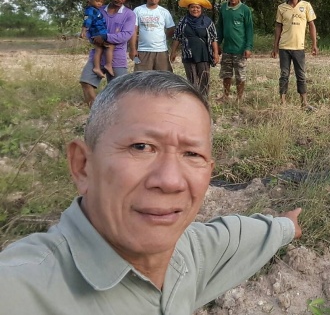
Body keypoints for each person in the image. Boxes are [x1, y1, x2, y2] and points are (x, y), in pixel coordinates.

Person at [0, 71, 302, 313]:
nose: (170, 181)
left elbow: (239, 235)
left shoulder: (190, 254)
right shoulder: (21, 289)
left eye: (192, 154)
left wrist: (286, 226)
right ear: (82, 166)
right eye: (141, 147)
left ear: (210, 170)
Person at [79, 0, 137, 107]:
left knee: (119, 92)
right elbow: (89, 28)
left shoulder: (129, 14)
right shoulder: (98, 10)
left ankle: (116, 119)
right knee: (86, 83)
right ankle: (95, 113)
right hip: (98, 55)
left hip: (117, 56)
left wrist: (105, 37)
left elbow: (126, 34)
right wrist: (94, 38)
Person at [271, 0, 318, 110]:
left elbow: (312, 25)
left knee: (301, 75)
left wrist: (314, 44)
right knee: (284, 75)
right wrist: (275, 47)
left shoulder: (306, 6)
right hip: (284, 47)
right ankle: (282, 102)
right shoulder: (281, 8)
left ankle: (304, 103)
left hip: (299, 47)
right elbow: (278, 28)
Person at [171, 0, 220, 100]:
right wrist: (173, 52)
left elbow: (214, 38)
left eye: (197, 7)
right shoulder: (183, 21)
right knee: (192, 79)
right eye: (192, 7)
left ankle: (204, 99)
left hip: (204, 53)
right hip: (188, 53)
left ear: (201, 9)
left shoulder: (207, 22)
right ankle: (194, 100)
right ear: (188, 8)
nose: (195, 9)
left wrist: (216, 54)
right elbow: (176, 37)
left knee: (204, 78)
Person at [215, 0, 254, 102]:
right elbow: (220, 27)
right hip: (227, 48)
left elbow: (249, 29)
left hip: (240, 49)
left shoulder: (245, 10)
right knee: (226, 75)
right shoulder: (223, 8)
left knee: (240, 75)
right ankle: (225, 96)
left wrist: (248, 47)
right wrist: (218, 44)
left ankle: (239, 98)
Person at [130, 0, 176, 72]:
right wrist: (133, 49)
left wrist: (161, 37)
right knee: (141, 78)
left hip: (161, 50)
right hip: (143, 51)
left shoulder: (164, 12)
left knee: (164, 78)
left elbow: (171, 29)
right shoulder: (138, 10)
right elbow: (133, 30)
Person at [80, 0, 115, 78]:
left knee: (99, 50)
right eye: (97, 1)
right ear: (89, 0)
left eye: (101, 2)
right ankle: (108, 65)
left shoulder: (95, 9)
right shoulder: (90, 10)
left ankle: (97, 67)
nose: (99, 3)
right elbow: (87, 21)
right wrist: (84, 30)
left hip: (99, 32)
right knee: (110, 46)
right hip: (98, 33)